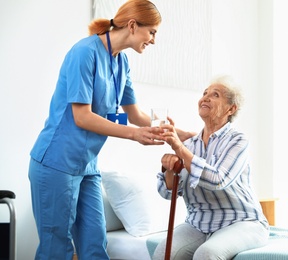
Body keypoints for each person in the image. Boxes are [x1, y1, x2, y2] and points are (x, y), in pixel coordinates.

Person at [28, 1, 193, 259]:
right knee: (56, 248)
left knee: (95, 244)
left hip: (87, 166)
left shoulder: (122, 62)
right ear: (132, 25)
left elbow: (134, 114)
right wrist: (133, 135)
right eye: (152, 32)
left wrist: (177, 133)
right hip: (56, 162)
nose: (153, 40)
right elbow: (82, 117)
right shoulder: (84, 52)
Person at [153, 75, 270, 260]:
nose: (205, 97)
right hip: (198, 224)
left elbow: (218, 179)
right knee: (162, 253)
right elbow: (168, 193)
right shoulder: (189, 145)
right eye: (204, 93)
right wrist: (169, 169)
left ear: (231, 109)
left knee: (207, 254)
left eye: (215, 95)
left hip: (240, 221)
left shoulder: (237, 140)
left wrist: (178, 148)